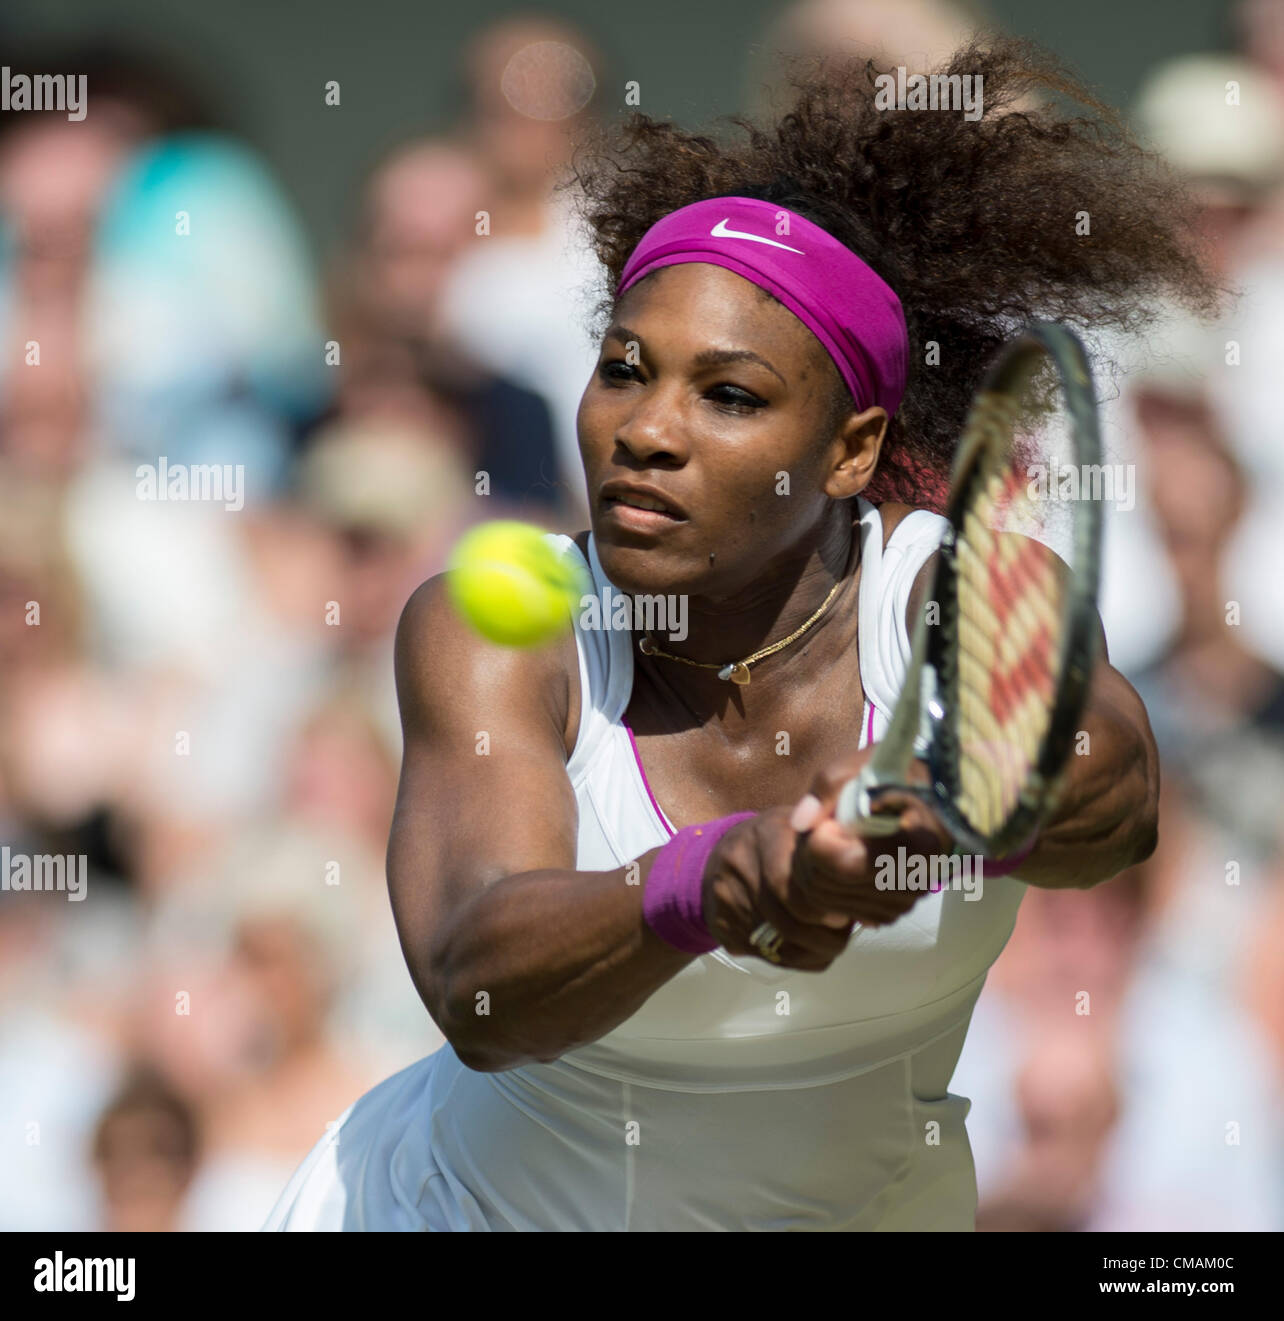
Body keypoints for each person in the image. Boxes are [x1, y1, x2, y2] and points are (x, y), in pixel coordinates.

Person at [265, 39, 1214, 1232]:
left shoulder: (951, 597)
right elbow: (480, 986)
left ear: (852, 451)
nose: (645, 431)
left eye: (728, 395)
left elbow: (1114, 814)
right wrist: (706, 881)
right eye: (623, 369)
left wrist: (978, 786)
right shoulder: (498, 631)